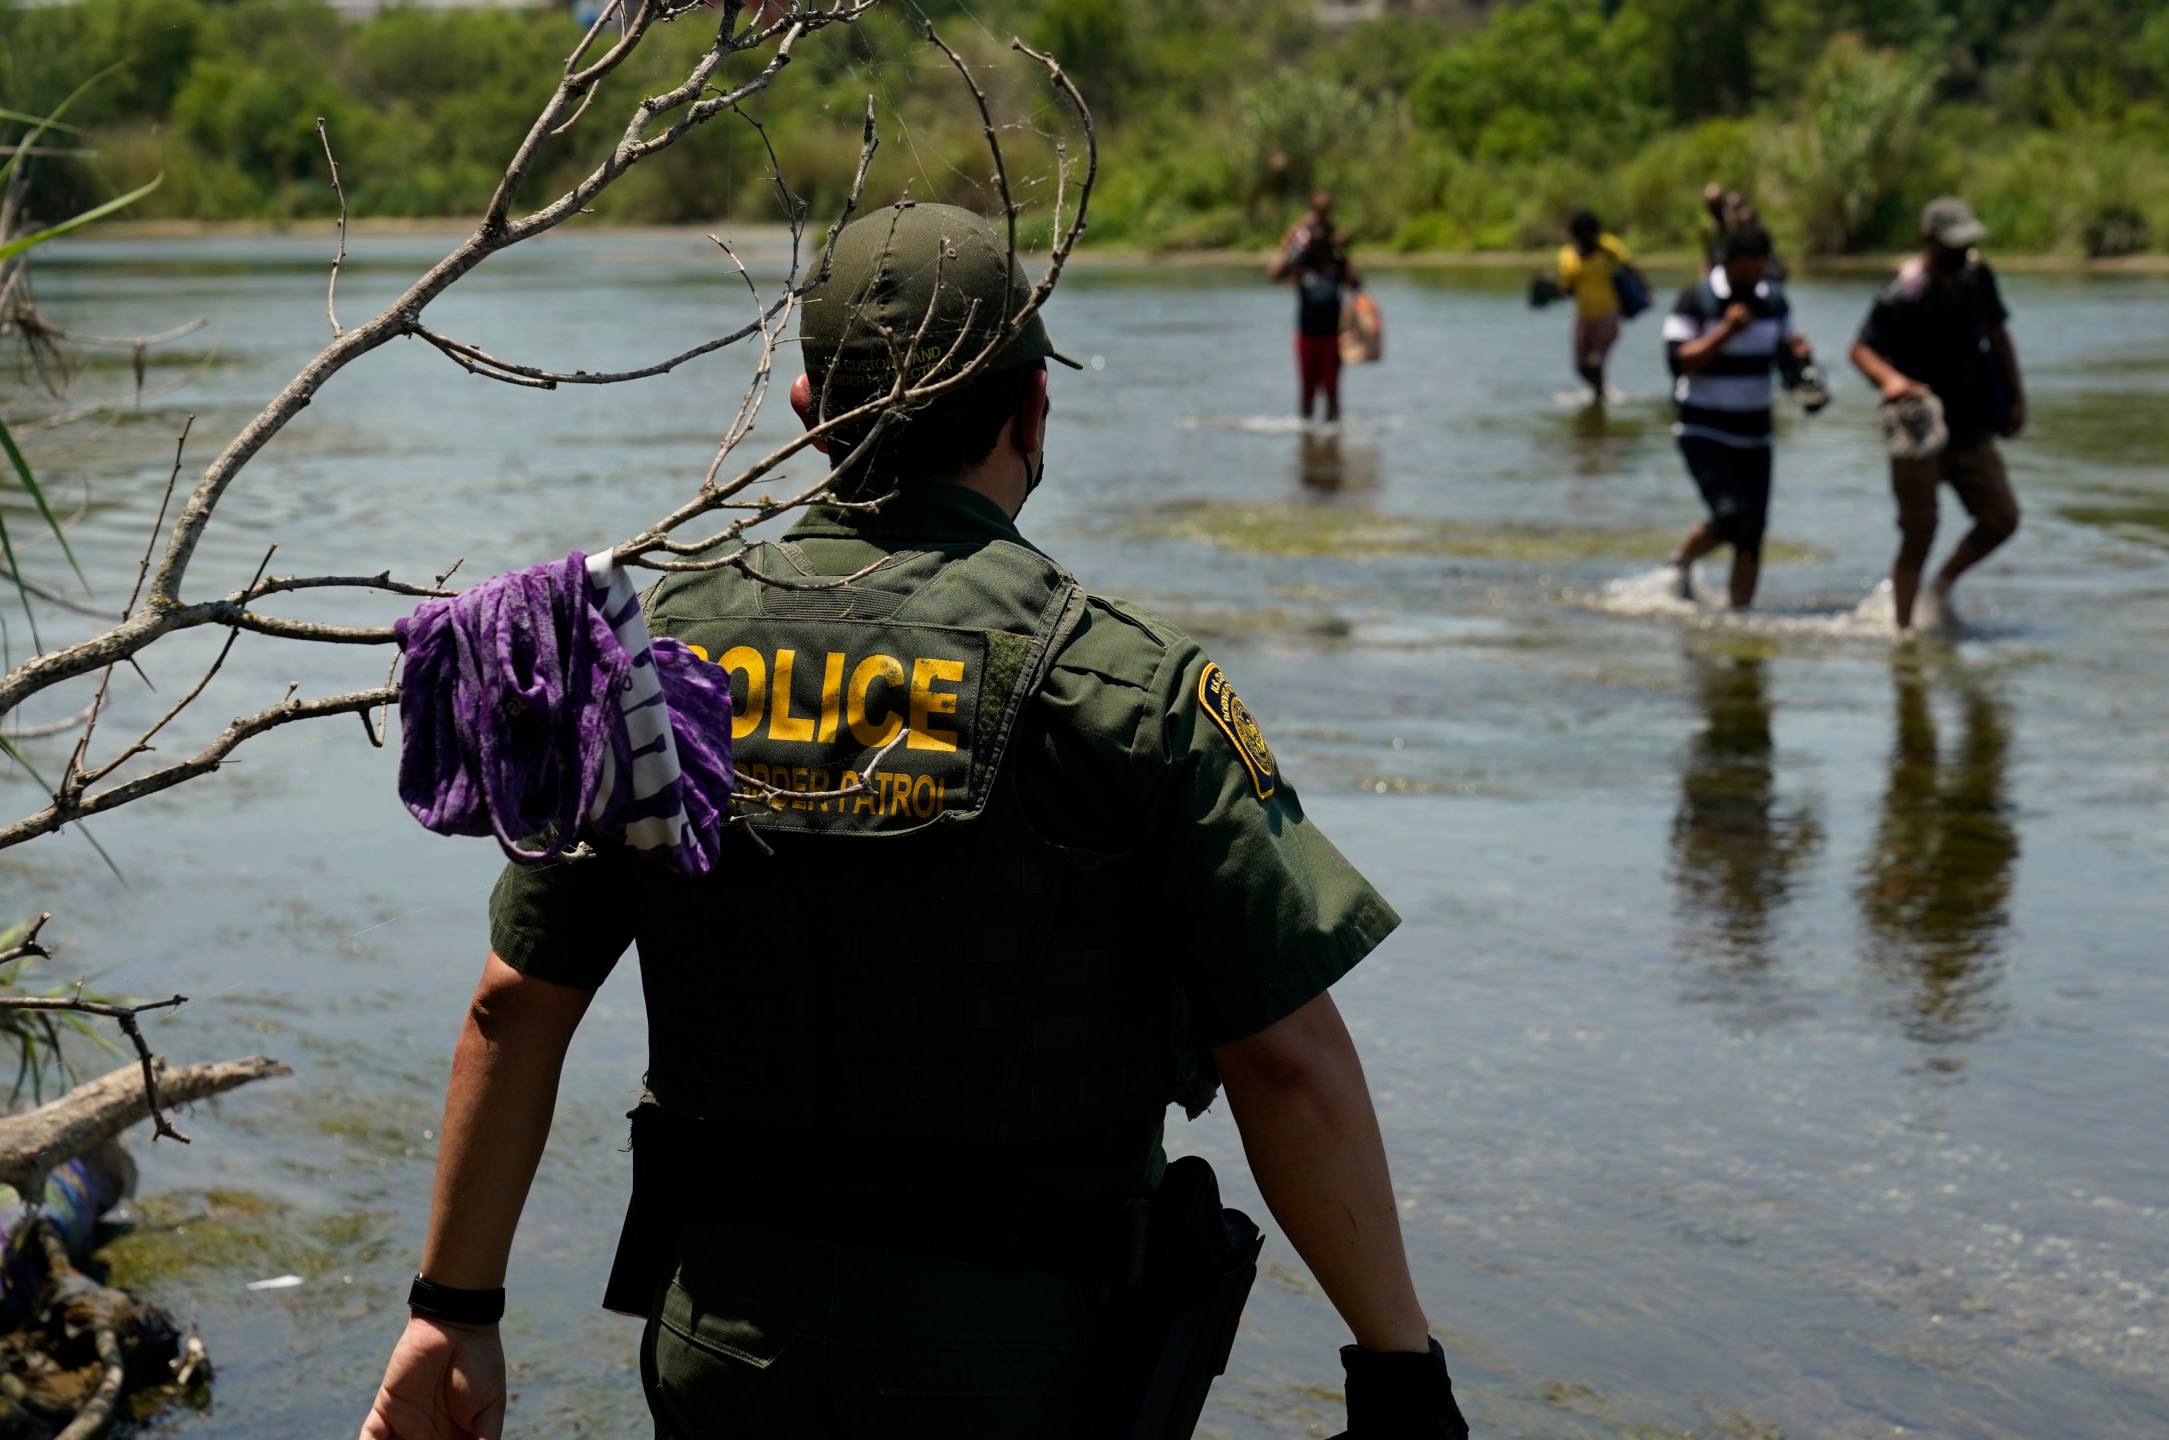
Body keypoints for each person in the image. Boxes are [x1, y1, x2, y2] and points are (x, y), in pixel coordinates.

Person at [360, 202, 1468, 1440]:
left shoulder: (647, 663)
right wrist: (1397, 1372)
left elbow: (512, 1006)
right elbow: (1285, 1063)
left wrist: (452, 1308)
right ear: (1033, 411)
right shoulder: (1117, 687)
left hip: (725, 1345)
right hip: (1022, 1365)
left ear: (806, 411)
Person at [1847, 196, 2026, 633]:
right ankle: (1903, 634)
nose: (1962, 253)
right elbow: (1861, 350)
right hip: (1917, 431)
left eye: (1967, 244)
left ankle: (1941, 586)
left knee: (2002, 518)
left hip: (1971, 426)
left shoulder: (1977, 279)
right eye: (1953, 244)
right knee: (1918, 535)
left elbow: (1999, 336)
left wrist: (2017, 398)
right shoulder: (1900, 295)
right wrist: (1891, 381)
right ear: (1928, 240)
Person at [1661, 222, 1810, 610]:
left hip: (1755, 433)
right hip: (1703, 428)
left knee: (1752, 534)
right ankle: (1681, 561)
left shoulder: (1775, 302)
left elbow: (1786, 359)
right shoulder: (1696, 299)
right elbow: (1678, 362)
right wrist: (1726, 331)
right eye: (1743, 271)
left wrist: (1799, 356)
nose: (1750, 279)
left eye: (1758, 270)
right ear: (1724, 263)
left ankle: (1739, 614)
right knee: (1731, 516)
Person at [1270, 191, 1362, 423]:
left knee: (1332, 394)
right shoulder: (1302, 261)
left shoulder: (1336, 261)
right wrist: (1293, 243)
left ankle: (1333, 439)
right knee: (1307, 394)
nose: (1319, 233)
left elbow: (1356, 284)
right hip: (1307, 337)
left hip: (1332, 338)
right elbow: (1274, 274)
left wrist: (1343, 250)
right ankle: (1307, 442)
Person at [1554, 209, 1636, 397]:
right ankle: (1601, 395)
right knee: (1581, 367)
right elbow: (1568, 289)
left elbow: (1629, 266)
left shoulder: (1607, 247)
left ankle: (1600, 400)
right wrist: (1553, 291)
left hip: (1608, 313)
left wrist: (1643, 291)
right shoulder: (1568, 257)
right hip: (1584, 318)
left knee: (1595, 361)